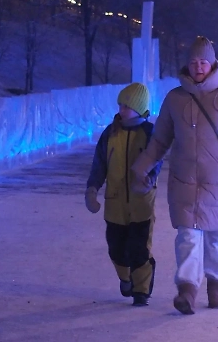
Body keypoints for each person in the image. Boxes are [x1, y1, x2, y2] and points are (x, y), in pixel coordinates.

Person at [132, 37, 218, 315]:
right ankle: (187, 288)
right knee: (187, 236)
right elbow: (160, 139)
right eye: (193, 61)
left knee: (215, 236)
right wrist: (142, 166)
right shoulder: (175, 98)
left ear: (212, 63)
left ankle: (215, 283)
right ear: (187, 64)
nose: (198, 66)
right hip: (184, 180)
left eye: (203, 61)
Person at [86, 83, 161, 306]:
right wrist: (92, 189)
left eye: (127, 105)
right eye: (120, 104)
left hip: (141, 205)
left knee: (139, 248)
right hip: (115, 205)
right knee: (116, 248)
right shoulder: (110, 133)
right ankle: (125, 277)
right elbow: (99, 164)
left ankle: (141, 292)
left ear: (139, 107)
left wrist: (148, 179)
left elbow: (157, 159)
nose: (122, 109)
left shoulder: (149, 133)